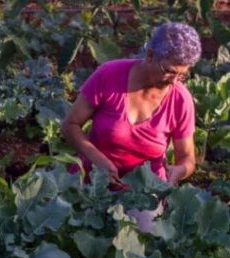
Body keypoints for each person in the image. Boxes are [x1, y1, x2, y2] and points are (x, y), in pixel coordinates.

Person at [61, 22, 201, 188]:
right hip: (92, 179)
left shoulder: (181, 99)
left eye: (182, 75)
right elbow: (70, 125)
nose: (174, 81)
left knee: (143, 215)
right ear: (150, 55)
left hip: (144, 191)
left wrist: (179, 170)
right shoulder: (109, 75)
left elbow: (186, 157)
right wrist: (98, 160)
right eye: (169, 71)